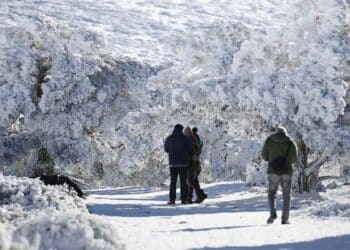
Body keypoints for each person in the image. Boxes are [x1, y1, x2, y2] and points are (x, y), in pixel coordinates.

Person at [262, 126, 297, 224]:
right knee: (286, 195)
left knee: (272, 193)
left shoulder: (269, 140)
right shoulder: (290, 142)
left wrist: (273, 159)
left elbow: (264, 156)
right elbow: (294, 158)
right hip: (287, 172)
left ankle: (272, 214)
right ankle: (285, 219)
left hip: (273, 171)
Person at [164, 124, 193, 205]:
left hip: (173, 164)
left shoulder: (169, 138)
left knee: (173, 182)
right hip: (183, 164)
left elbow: (166, 149)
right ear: (181, 130)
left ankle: (172, 200)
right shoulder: (185, 138)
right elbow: (191, 149)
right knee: (183, 182)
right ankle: (184, 199)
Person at [184, 126, 207, 203]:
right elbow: (199, 149)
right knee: (193, 181)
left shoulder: (189, 140)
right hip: (196, 163)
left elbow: (189, 152)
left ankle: (200, 195)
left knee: (190, 181)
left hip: (190, 163)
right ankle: (191, 198)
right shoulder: (196, 139)